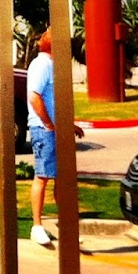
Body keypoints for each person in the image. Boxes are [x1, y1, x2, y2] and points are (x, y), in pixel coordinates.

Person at [26, 30, 84, 248]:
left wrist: (68, 126)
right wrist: (50, 125)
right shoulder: (42, 65)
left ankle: (67, 226)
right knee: (43, 175)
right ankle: (37, 226)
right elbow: (34, 96)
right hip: (45, 130)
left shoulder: (51, 65)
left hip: (56, 129)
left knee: (63, 178)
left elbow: (54, 100)